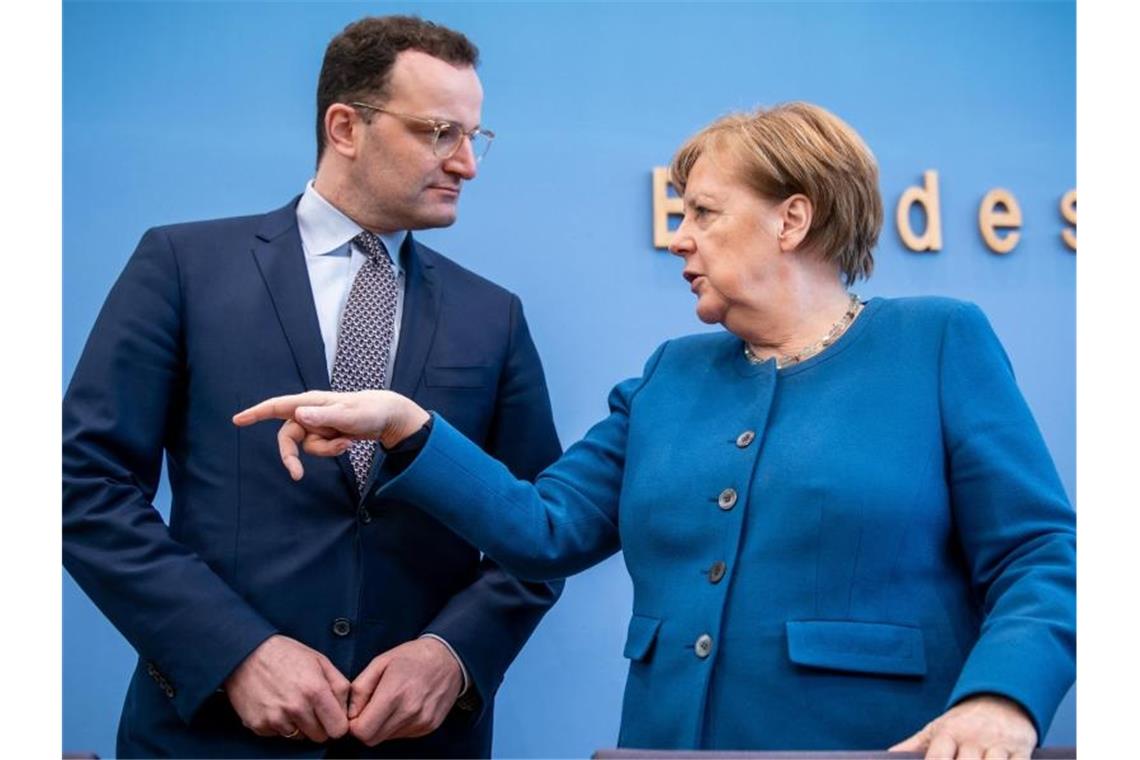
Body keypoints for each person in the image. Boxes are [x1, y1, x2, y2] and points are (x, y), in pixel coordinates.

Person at [237, 102, 1076, 759]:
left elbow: (1037, 553)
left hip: (871, 749)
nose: (680, 238)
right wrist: (406, 425)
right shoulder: (672, 371)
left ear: (791, 220)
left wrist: (1002, 697)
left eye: (704, 213)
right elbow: (543, 528)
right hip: (670, 748)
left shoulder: (935, 341)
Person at [63, 15, 563, 759]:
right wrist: (235, 651)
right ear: (346, 126)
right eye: (440, 133)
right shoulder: (182, 266)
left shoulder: (495, 316)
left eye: (475, 137)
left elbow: (541, 527)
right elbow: (83, 483)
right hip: (210, 737)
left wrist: (452, 655)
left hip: (420, 743)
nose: (468, 164)